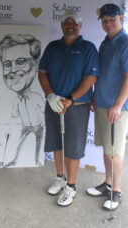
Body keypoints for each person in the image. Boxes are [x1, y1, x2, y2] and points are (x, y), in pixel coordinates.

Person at [38, 10, 99, 207]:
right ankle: (60, 177)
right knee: (56, 143)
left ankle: (71, 186)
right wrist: (50, 95)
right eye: (67, 23)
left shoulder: (88, 48)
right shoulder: (53, 47)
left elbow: (91, 78)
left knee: (73, 147)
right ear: (62, 25)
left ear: (80, 26)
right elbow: (42, 72)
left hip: (76, 106)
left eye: (74, 23)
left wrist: (70, 99)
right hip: (54, 103)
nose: (70, 26)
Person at [86, 3, 128, 210]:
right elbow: (102, 74)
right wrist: (94, 97)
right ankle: (107, 183)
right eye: (104, 20)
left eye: (111, 19)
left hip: (117, 107)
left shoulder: (127, 44)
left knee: (114, 151)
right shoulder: (106, 43)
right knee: (107, 148)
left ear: (121, 18)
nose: (107, 23)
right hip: (101, 103)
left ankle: (116, 190)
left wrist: (117, 105)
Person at [0, 34, 44, 167]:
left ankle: (37, 160)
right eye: (7, 64)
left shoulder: (37, 96)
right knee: (19, 141)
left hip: (37, 126)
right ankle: (15, 159)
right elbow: (14, 114)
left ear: (36, 63)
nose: (13, 70)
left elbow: (42, 111)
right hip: (25, 125)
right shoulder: (17, 100)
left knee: (38, 142)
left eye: (21, 61)